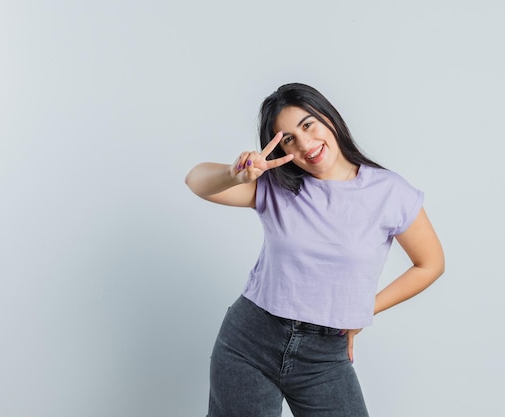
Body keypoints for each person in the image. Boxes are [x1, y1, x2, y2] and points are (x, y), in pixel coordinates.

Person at [185, 83, 445, 417]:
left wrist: (364, 312)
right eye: (289, 138)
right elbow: (194, 180)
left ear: (328, 116)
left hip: (324, 357)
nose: (306, 145)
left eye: (308, 125)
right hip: (249, 343)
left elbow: (430, 263)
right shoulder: (277, 186)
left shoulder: (390, 192)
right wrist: (234, 174)